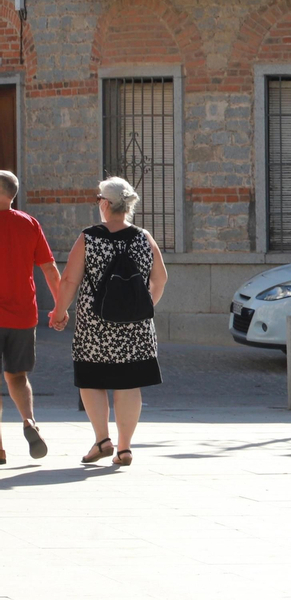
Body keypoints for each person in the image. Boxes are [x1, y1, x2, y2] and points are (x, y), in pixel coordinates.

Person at [49, 177, 167, 467]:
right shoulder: (144, 237)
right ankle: (124, 448)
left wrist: (59, 313)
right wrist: (144, 306)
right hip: (136, 327)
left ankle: (102, 440)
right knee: (129, 384)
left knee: (92, 379)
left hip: (95, 325)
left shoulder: (89, 237)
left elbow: (69, 280)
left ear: (104, 203)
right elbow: (160, 278)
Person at [0, 171, 64, 465]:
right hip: (23, 315)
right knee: (18, 375)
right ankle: (28, 421)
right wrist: (60, 307)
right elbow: (50, 270)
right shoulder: (29, 223)